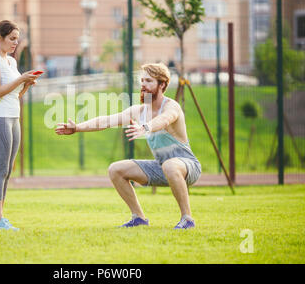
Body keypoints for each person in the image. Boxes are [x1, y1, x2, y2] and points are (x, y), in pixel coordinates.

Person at [56, 63, 201, 230]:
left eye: (149, 81)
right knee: (115, 169)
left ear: (162, 84)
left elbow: (165, 119)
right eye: (142, 81)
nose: (143, 85)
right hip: (161, 167)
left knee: (170, 165)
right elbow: (106, 120)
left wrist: (145, 127)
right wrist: (77, 128)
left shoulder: (171, 106)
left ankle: (187, 218)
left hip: (187, 166)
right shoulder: (139, 111)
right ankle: (138, 218)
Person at [0, 20, 41, 231]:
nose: (16, 43)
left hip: (13, 118)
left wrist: (26, 84)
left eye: (17, 39)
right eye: (12, 38)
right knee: (0, 169)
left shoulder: (11, 62)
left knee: (8, 170)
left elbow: (14, 96)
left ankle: (1, 219)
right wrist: (20, 81)